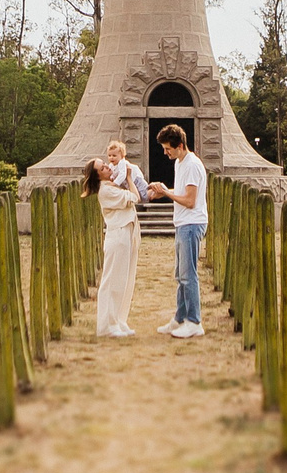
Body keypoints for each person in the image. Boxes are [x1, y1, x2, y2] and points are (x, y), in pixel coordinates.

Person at [149, 124, 208, 338]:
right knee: (180, 274)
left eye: (168, 149)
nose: (165, 153)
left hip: (192, 224)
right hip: (182, 223)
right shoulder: (180, 163)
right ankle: (180, 318)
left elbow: (190, 201)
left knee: (188, 275)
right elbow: (182, 192)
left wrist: (166, 193)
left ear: (180, 146)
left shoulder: (192, 164)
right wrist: (162, 191)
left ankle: (194, 322)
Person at [89, 157, 139, 337]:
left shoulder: (111, 187)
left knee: (125, 279)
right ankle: (106, 325)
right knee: (113, 281)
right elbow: (135, 197)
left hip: (125, 232)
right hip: (117, 234)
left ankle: (118, 320)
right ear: (99, 175)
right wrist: (129, 179)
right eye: (103, 167)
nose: (108, 167)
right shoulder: (106, 191)